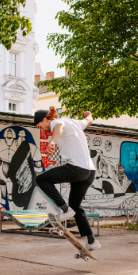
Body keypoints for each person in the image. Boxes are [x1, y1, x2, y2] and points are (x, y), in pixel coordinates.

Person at [34, 107, 101, 251]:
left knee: (41, 180)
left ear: (46, 119)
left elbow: (59, 126)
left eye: (41, 126)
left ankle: (64, 209)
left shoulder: (57, 122)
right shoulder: (75, 123)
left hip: (77, 168)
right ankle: (91, 241)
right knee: (76, 206)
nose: (43, 130)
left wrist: (52, 143)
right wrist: (89, 114)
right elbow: (89, 121)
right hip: (89, 172)